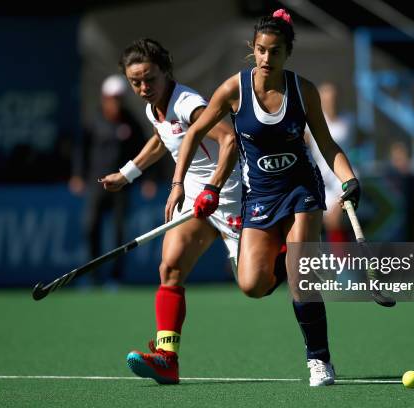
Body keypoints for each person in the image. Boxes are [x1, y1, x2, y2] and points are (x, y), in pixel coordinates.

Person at [167, 9, 361, 386]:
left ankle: (319, 361)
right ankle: (286, 257)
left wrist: (350, 179)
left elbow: (327, 143)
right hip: (259, 196)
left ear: (288, 52)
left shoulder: (303, 91)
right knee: (252, 285)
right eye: (260, 50)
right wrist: (178, 183)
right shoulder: (233, 90)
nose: (266, 59)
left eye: (274, 51)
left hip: (301, 190)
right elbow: (192, 134)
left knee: (301, 276)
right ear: (251, 49)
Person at [97, 38, 245, 384]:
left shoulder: (188, 103)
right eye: (136, 82)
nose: (144, 88)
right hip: (196, 199)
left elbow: (230, 140)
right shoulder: (154, 107)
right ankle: (167, 359)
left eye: (150, 78)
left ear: (166, 71)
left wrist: (214, 189)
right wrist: (127, 173)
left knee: (255, 284)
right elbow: (162, 137)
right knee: (171, 266)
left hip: (232, 195)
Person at [69, 75, 146, 286]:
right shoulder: (93, 122)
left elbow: (146, 151)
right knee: (91, 226)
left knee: (120, 231)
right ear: (104, 98)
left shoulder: (132, 123)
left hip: (122, 185)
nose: (116, 102)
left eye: (119, 98)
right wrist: (77, 175)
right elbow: (81, 150)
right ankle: (92, 276)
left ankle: (116, 276)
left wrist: (148, 178)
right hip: (97, 184)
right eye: (112, 98)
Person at [305, 82, 354, 243]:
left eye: (333, 97)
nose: (330, 101)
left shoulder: (349, 121)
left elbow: (363, 137)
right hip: (320, 180)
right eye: (326, 98)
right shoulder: (310, 124)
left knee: (335, 221)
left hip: (342, 178)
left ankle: (343, 265)